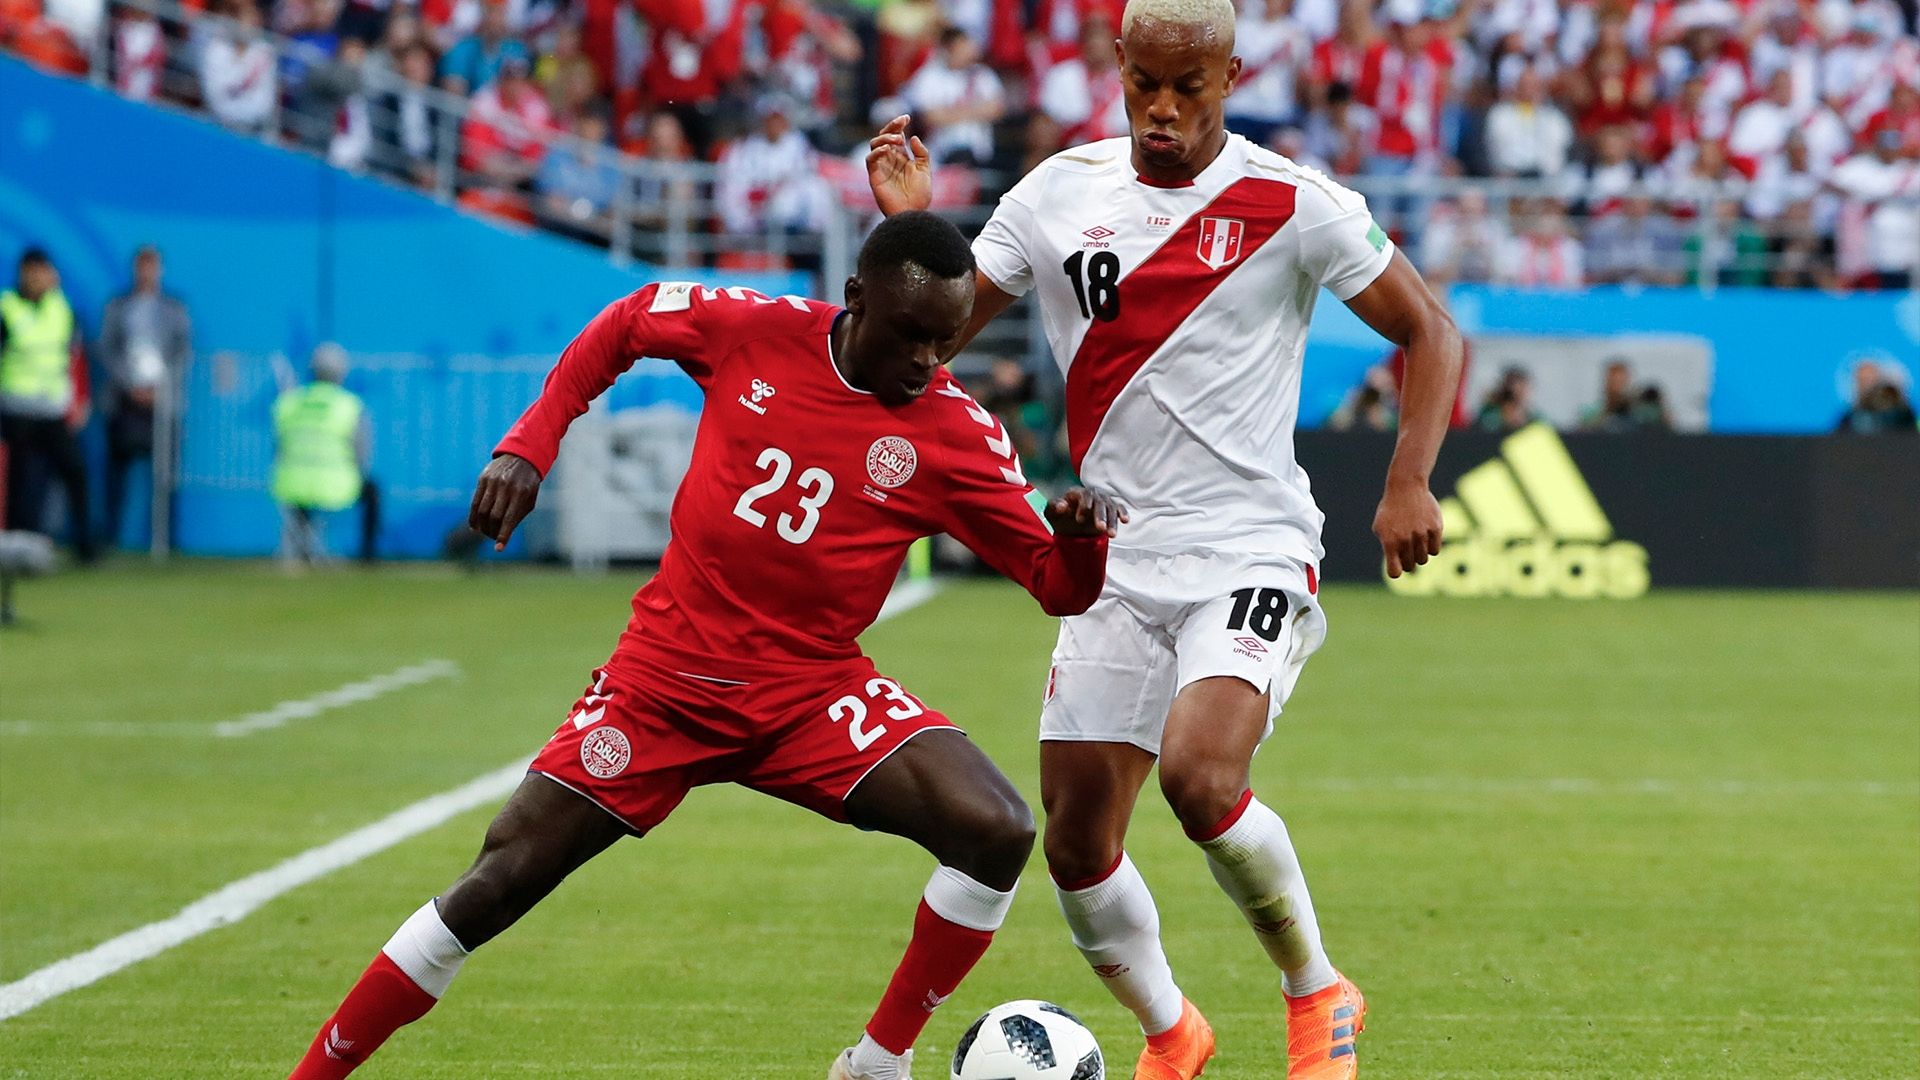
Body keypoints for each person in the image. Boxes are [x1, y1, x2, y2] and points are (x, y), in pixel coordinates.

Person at [283, 212, 1124, 1080]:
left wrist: (1079, 540)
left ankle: (876, 1062)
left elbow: (1059, 589)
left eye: (944, 341)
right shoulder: (754, 331)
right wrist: (531, 442)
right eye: (910, 335)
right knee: (496, 883)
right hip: (663, 686)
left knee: (997, 829)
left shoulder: (956, 434)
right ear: (855, 299)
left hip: (811, 694)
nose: (926, 361)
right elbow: (627, 320)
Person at [864, 1, 1465, 1075]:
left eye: (1190, 88)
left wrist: (1408, 479)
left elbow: (1430, 328)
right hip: (1111, 559)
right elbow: (923, 343)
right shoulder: (1056, 196)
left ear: (1229, 76)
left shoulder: (1295, 200)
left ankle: (1317, 990)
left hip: (1248, 544)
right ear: (1120, 67)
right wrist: (909, 235)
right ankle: (1171, 1031)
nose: (1164, 110)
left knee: (1199, 777)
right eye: (1147, 84)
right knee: (1078, 842)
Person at [0, 248, 96, 562]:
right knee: (21, 480)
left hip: (53, 411)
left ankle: (85, 547)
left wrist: (79, 400)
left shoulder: (61, 308)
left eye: (45, 270)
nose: (40, 277)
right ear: (24, 272)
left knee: (76, 471)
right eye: (34, 270)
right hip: (17, 411)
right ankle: (16, 550)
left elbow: (75, 358)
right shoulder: (8, 307)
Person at [98, 246, 192, 551]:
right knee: (116, 473)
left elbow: (183, 352)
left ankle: (165, 540)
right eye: (141, 266)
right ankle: (110, 536)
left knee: (166, 473)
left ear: (160, 269)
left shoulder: (174, 308)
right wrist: (130, 385)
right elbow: (106, 348)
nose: (146, 272)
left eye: (152, 266)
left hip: (164, 404)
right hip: (125, 401)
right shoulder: (118, 306)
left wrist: (160, 388)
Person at [272, 343, 375, 566]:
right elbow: (361, 455)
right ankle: (367, 557)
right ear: (342, 372)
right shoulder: (349, 406)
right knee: (373, 492)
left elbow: (278, 447)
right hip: (336, 487)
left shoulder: (289, 403)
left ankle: (301, 550)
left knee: (302, 504)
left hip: (290, 485)